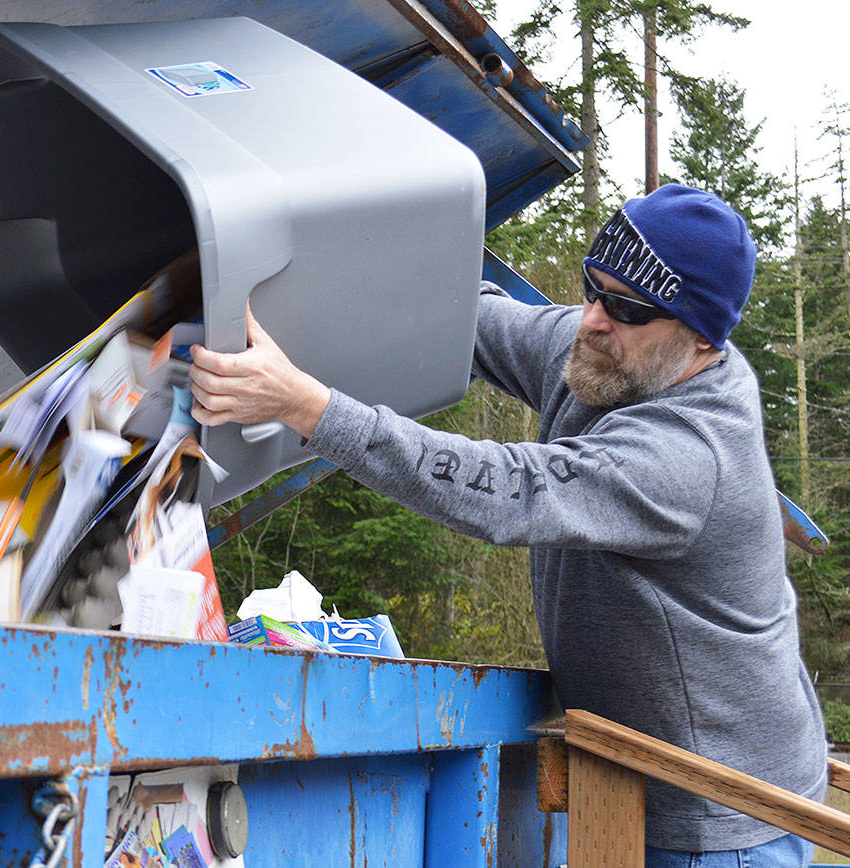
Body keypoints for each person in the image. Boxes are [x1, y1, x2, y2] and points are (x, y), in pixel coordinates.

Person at [189, 184, 827, 865]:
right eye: (592, 287)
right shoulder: (610, 351)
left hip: (721, 815)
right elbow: (465, 315)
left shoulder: (689, 457)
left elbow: (506, 489)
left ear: (700, 335)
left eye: (627, 308)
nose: (592, 320)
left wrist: (310, 407)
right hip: (642, 780)